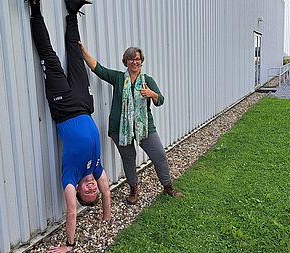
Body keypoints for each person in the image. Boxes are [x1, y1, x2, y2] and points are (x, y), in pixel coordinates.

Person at [28, 0, 110, 252]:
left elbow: (72, 212)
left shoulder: (71, 178)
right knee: (75, 54)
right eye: (93, 190)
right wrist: (106, 214)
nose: (92, 187)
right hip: (84, 104)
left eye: (87, 192)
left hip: (63, 107)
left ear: (78, 192)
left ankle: (35, 9)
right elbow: (107, 192)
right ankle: (72, 10)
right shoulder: (96, 168)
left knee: (50, 57)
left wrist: (69, 245)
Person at [79, 39, 185, 205]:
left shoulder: (147, 80)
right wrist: (81, 49)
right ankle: (133, 190)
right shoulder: (118, 78)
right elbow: (98, 69)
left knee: (159, 155)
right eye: (131, 59)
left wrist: (152, 94)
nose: (134, 62)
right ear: (126, 62)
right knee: (128, 159)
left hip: (144, 128)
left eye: (137, 59)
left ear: (141, 62)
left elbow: (161, 100)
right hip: (120, 128)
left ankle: (168, 187)